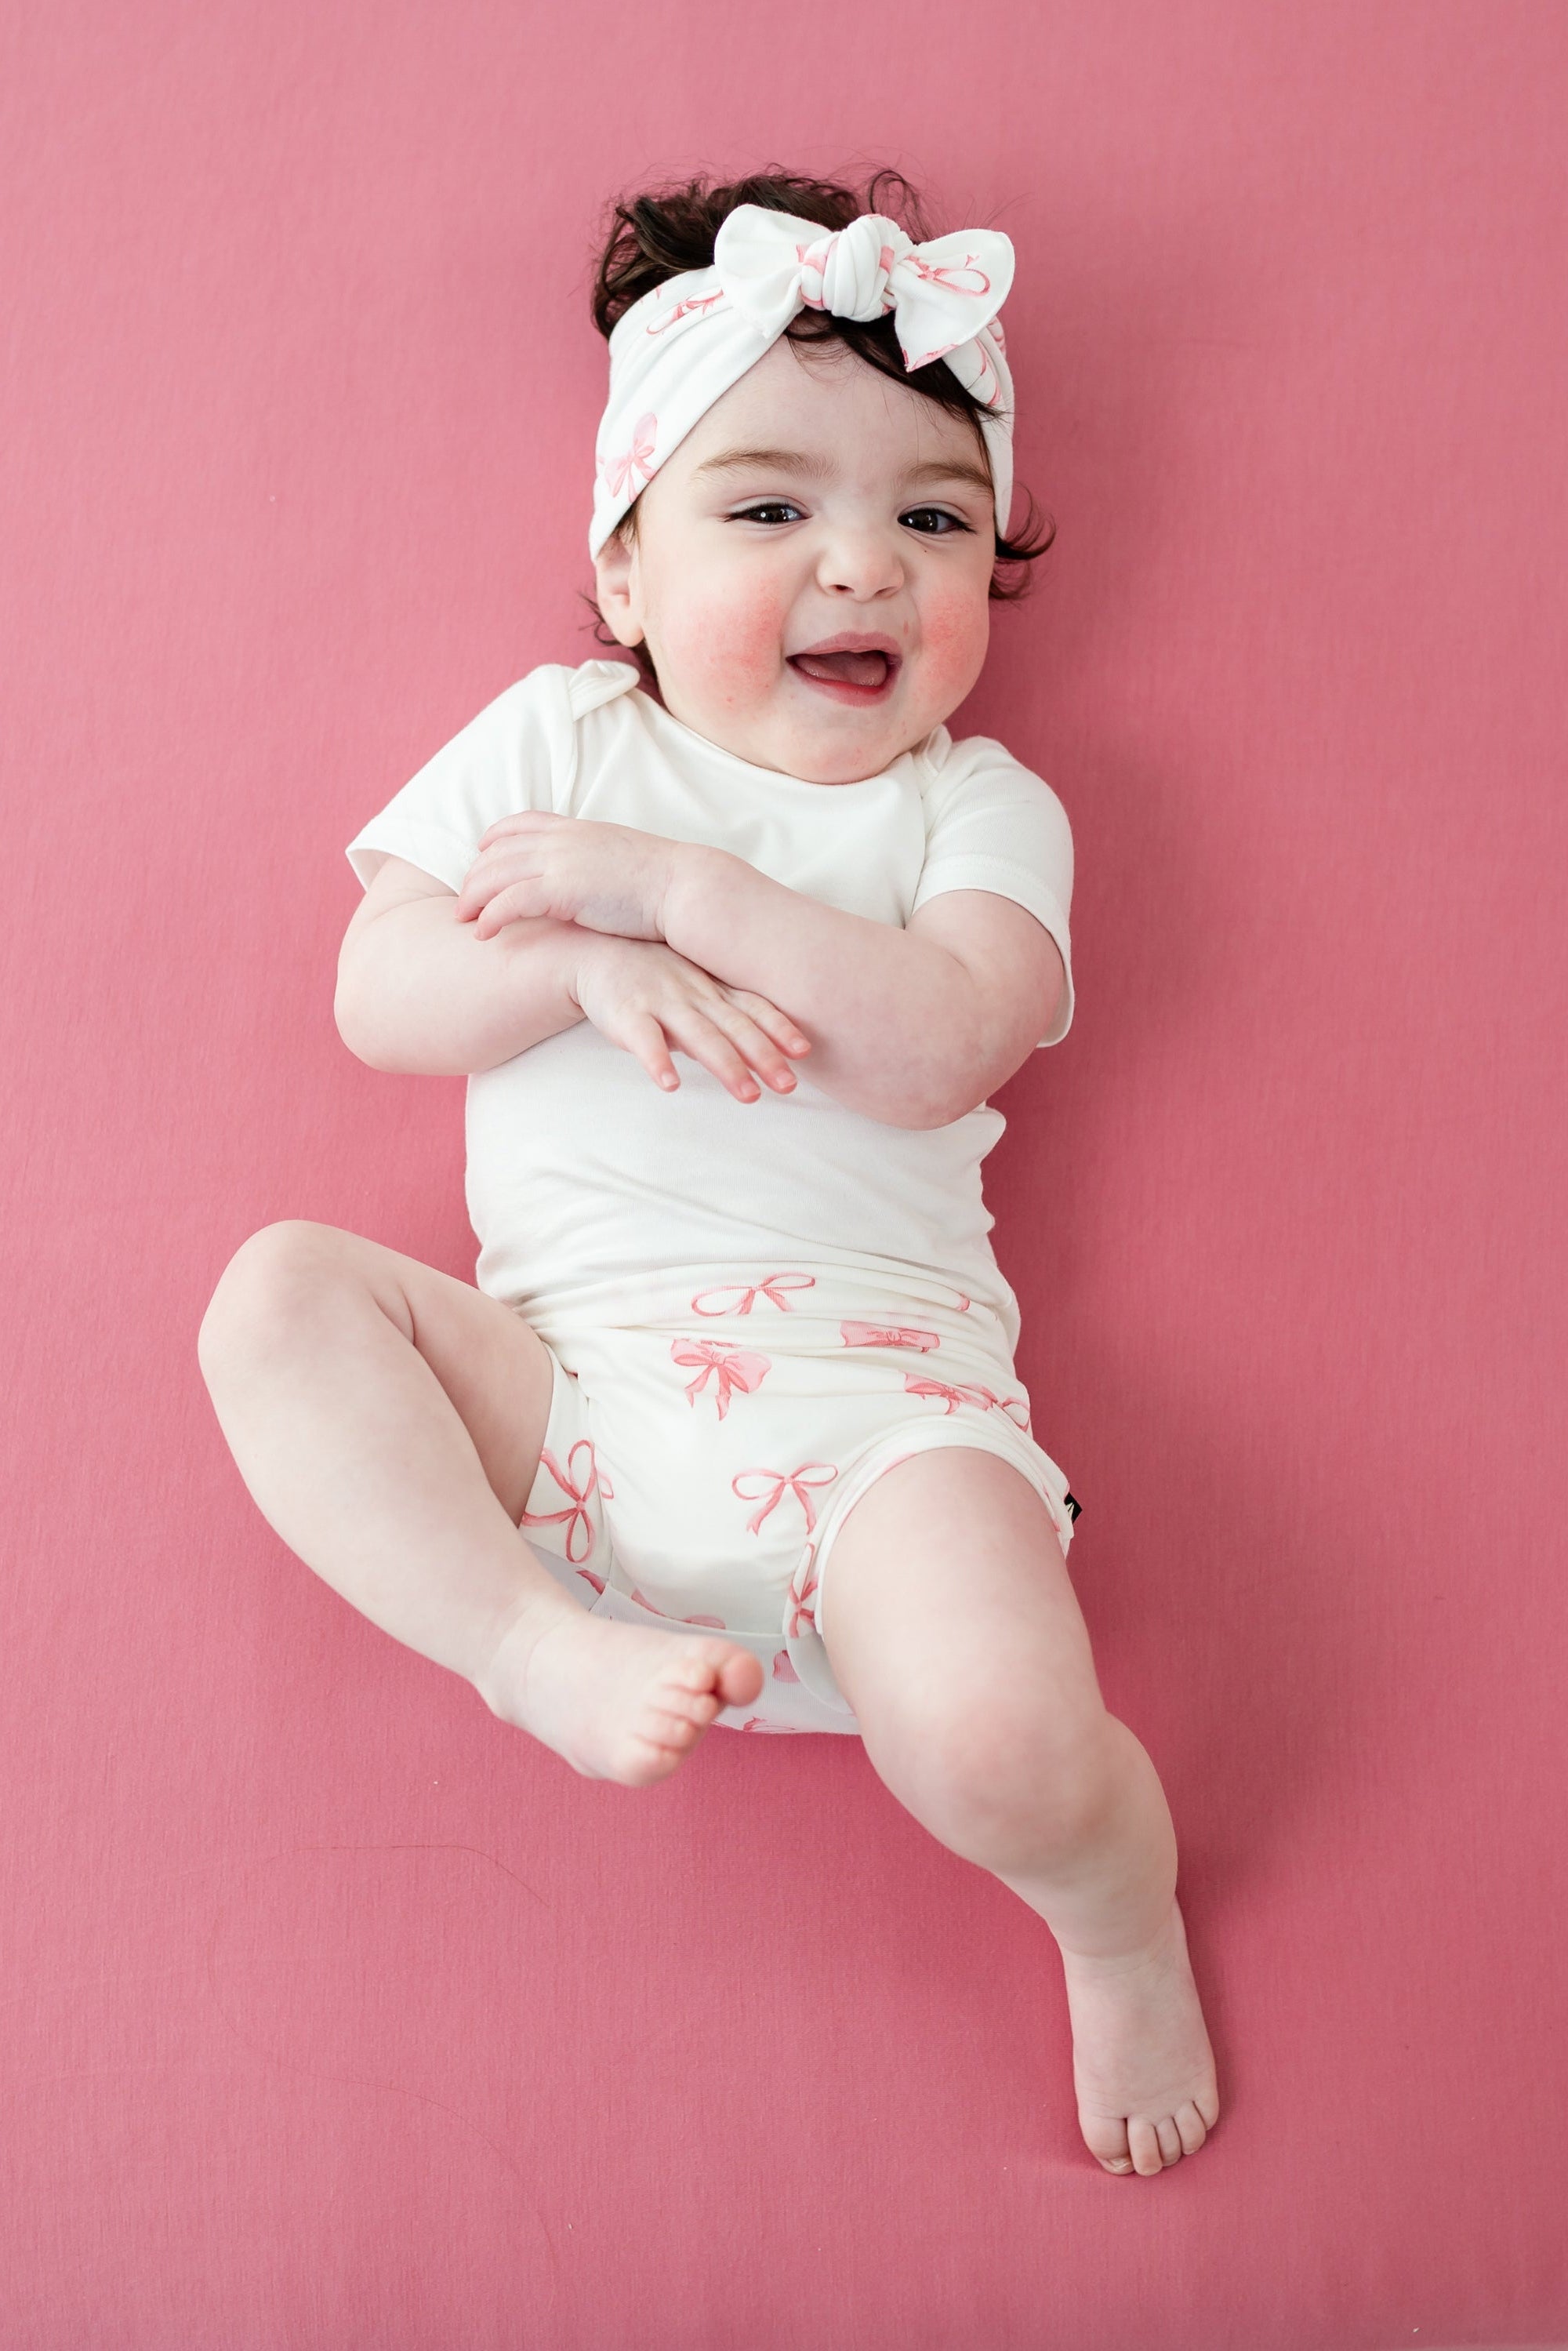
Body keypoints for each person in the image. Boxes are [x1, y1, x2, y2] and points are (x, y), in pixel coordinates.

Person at [197, 166, 1219, 2178]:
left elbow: (940, 1045)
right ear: (625, 573)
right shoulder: (559, 741)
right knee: (278, 1299)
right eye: (767, 510)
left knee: (1011, 1742)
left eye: (931, 519)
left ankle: (1116, 1914)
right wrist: (577, 959)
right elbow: (377, 990)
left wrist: (682, 890)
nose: (860, 569)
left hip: (886, 1420)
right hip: (574, 1401)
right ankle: (527, 1648)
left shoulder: (976, 808)